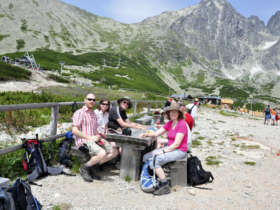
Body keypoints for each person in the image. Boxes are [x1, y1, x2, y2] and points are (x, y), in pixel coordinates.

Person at [141, 103, 188, 195]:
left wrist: (162, 151)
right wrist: (146, 134)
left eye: (175, 112)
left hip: (179, 150)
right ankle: (151, 176)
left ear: (179, 113)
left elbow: (177, 144)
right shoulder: (170, 123)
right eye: (171, 112)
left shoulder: (181, 124)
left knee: (157, 159)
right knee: (146, 157)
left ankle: (164, 185)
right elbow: (157, 133)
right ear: (169, 113)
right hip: (170, 148)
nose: (173, 114)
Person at [72, 93, 116, 182]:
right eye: (89, 99)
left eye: (93, 100)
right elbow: (74, 130)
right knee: (102, 153)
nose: (92, 101)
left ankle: (92, 167)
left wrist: (99, 136)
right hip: (84, 140)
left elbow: (95, 129)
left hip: (93, 138)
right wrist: (89, 137)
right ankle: (84, 168)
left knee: (113, 151)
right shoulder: (80, 113)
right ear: (85, 100)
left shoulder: (93, 114)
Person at [94, 98, 119, 164]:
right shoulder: (95, 113)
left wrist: (107, 133)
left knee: (116, 145)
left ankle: (102, 162)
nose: (105, 105)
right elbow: (93, 127)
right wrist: (104, 136)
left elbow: (106, 126)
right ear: (100, 104)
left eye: (107, 104)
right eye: (103, 104)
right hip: (97, 135)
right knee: (114, 150)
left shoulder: (107, 114)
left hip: (104, 135)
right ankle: (97, 163)